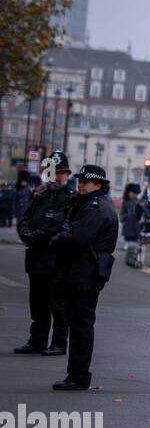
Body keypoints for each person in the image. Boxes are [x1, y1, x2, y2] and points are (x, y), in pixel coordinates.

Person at [47, 163, 119, 391]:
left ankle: (78, 376)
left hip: (85, 272)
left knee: (80, 325)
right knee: (78, 323)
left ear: (98, 184)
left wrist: (56, 240)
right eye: (80, 181)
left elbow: (77, 237)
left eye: (85, 182)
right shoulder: (90, 203)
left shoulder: (97, 208)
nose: (81, 185)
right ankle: (76, 374)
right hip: (81, 271)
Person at [15, 151, 74, 357]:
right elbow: (25, 216)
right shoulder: (40, 194)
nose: (55, 176)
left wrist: (33, 235)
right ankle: (37, 341)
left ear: (67, 174)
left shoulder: (70, 198)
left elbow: (56, 224)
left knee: (57, 304)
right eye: (52, 172)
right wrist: (24, 232)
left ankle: (58, 343)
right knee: (37, 302)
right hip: (36, 257)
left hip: (56, 259)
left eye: (60, 172)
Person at [121, 182, 144, 268]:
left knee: (136, 243)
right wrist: (127, 217)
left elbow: (140, 216)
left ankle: (132, 259)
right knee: (131, 243)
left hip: (136, 226)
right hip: (128, 225)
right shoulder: (125, 202)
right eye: (132, 193)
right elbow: (122, 215)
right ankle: (129, 259)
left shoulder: (137, 202)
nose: (134, 195)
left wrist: (140, 208)